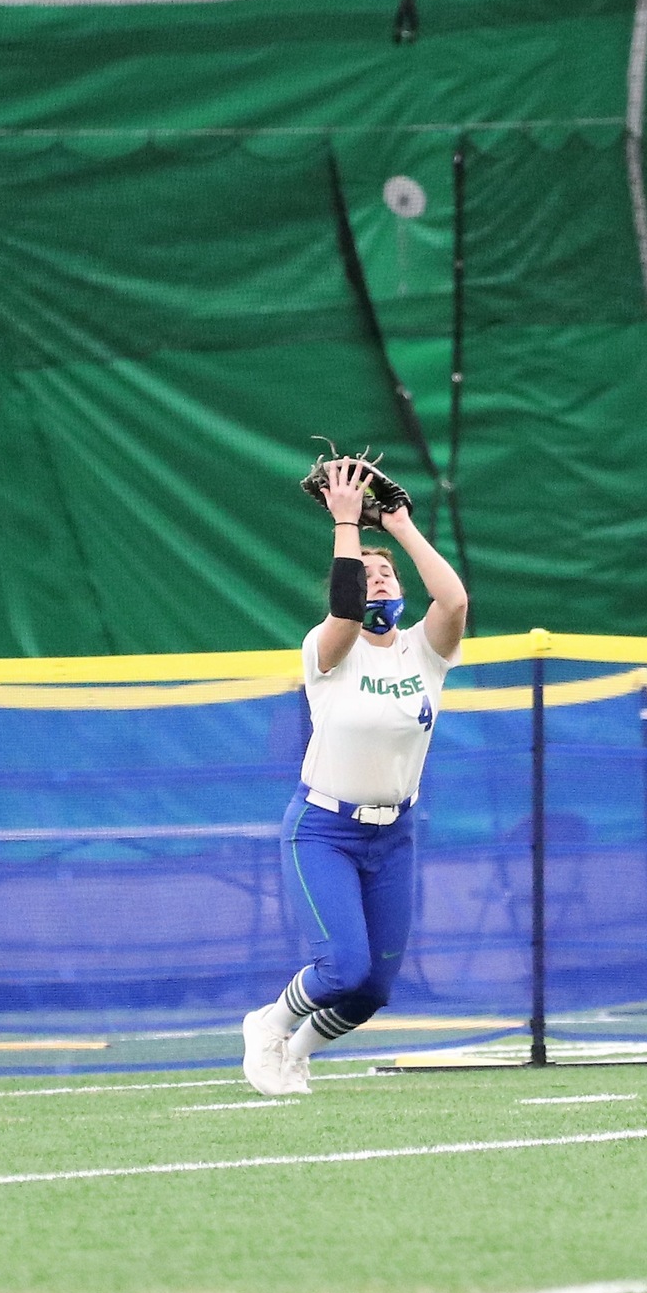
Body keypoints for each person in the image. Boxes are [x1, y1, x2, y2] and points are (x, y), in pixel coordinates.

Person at [242, 458, 469, 1097]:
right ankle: (266, 1024)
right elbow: (344, 605)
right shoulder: (329, 647)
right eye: (365, 574)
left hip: (393, 833)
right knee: (342, 965)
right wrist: (346, 522)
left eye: (386, 572)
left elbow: (453, 600)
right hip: (325, 829)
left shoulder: (424, 650)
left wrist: (397, 525)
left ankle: (296, 1051)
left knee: (373, 988)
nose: (376, 580)